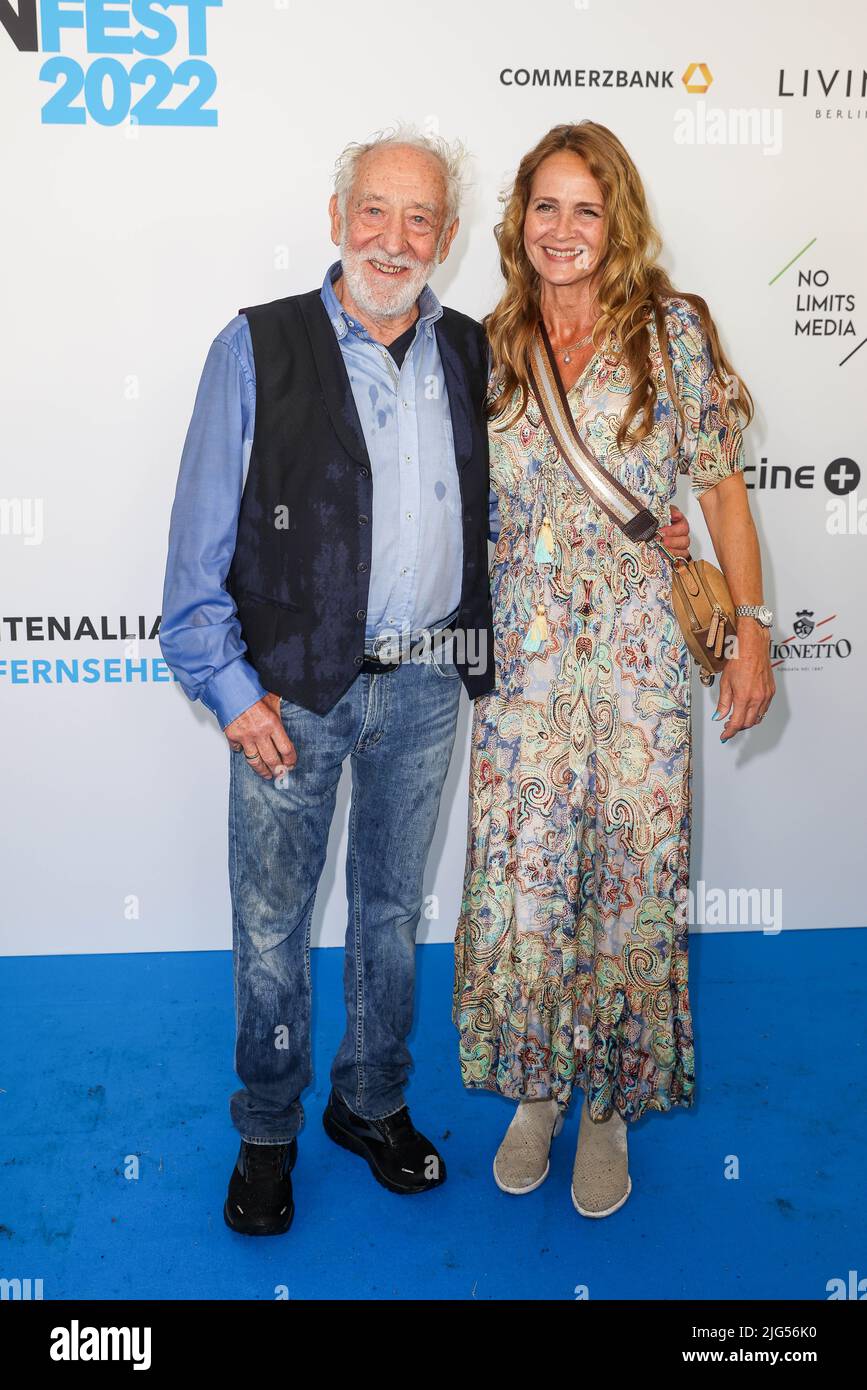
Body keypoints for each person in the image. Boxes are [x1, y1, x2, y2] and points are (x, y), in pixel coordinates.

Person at [159, 124, 692, 1238]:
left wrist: (677, 549)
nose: (393, 239)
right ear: (336, 217)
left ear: (448, 238)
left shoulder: (474, 351)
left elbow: (557, 489)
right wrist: (229, 686)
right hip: (290, 694)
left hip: (427, 689)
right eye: (374, 211)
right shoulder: (254, 347)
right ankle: (266, 1131)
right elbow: (195, 550)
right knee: (272, 923)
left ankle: (371, 1102)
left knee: (392, 916)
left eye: (419, 219)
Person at [452, 121, 775, 1218]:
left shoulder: (671, 331)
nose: (564, 228)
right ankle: (538, 1090)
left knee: (631, 884)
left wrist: (753, 629)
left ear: (618, 220)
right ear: (519, 220)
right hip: (526, 665)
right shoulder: (491, 340)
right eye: (546, 205)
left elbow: (722, 490)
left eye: (586, 208)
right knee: (529, 882)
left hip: (638, 662)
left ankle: (608, 1107)